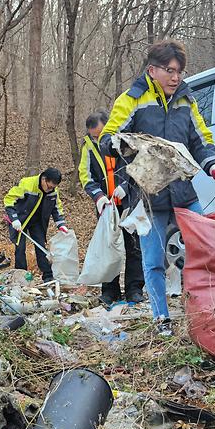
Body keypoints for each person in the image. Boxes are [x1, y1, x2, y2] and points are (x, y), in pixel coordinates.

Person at [99, 39, 215, 336]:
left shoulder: (187, 100)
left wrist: (214, 167)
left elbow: (201, 139)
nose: (175, 77)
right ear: (152, 70)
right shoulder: (132, 99)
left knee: (205, 249)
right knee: (154, 260)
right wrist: (126, 144)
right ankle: (162, 320)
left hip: (184, 191)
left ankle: (205, 313)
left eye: (180, 72)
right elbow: (107, 139)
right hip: (147, 194)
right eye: (170, 71)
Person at [79, 110, 145, 305]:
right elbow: (85, 175)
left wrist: (126, 186)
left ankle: (134, 289)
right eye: (94, 136)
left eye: (100, 134)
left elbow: (138, 166)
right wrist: (98, 196)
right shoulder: (88, 147)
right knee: (108, 248)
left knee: (133, 247)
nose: (98, 139)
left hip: (128, 201)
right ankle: (110, 291)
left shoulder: (125, 138)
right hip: (106, 206)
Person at [3, 167, 68, 282]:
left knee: (41, 246)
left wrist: (61, 224)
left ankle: (48, 276)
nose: (50, 190)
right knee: (20, 247)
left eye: (53, 187)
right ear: (43, 179)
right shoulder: (26, 184)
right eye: (49, 186)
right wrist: (14, 219)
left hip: (37, 222)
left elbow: (57, 208)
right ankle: (21, 276)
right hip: (21, 220)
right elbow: (9, 199)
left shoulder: (53, 191)